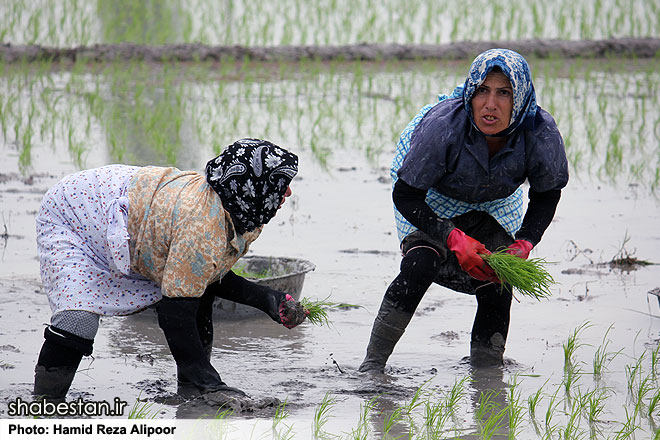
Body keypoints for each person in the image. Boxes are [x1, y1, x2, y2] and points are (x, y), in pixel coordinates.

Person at [33, 138, 308, 402]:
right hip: (76, 210)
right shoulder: (201, 224)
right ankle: (45, 404)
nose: (288, 193)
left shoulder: (244, 211)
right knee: (78, 320)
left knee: (193, 292)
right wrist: (213, 384)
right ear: (253, 185)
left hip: (125, 198)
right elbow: (175, 312)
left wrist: (269, 300)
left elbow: (206, 273)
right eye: (279, 185)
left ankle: (191, 390)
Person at [358, 49, 569, 371]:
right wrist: (453, 238)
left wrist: (525, 242)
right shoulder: (444, 126)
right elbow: (407, 194)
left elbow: (547, 194)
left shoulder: (539, 131)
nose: (490, 104)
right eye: (482, 90)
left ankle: (486, 375)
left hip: (495, 201)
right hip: (428, 194)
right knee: (420, 263)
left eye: (504, 93)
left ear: (520, 97)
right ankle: (372, 366)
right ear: (470, 93)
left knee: (500, 275)